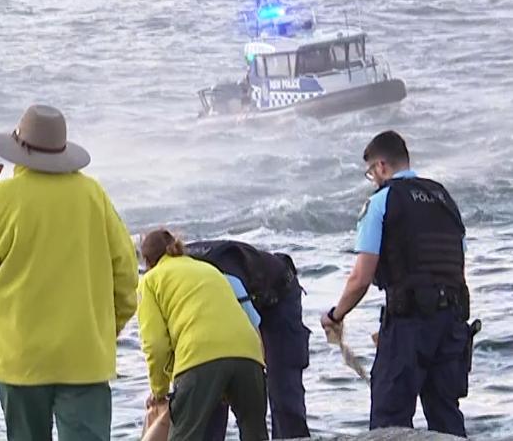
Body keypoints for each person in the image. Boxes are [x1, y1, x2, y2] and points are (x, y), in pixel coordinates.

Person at [0, 105, 139, 441]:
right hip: (85, 359)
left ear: (17, 150)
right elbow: (126, 272)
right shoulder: (93, 194)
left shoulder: (5, 197)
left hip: (20, 358)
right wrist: (105, 330)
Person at [320, 130, 471, 437]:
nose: (373, 179)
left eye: (371, 172)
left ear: (382, 167)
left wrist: (336, 315)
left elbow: (361, 277)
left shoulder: (383, 201)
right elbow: (455, 263)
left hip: (409, 325)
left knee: (389, 420)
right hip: (452, 325)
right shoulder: (444, 199)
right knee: (446, 416)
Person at [138, 230, 268, 441]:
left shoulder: (150, 280)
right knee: (256, 435)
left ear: (147, 260)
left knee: (185, 436)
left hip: (199, 357)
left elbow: (155, 345)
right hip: (250, 354)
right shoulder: (210, 270)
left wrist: (159, 391)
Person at [185, 240, 311, 439]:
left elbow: (251, 328)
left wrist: (250, 373)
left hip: (277, 295)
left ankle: (292, 436)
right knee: (211, 385)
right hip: (241, 300)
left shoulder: (221, 277)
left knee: (282, 383)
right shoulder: (168, 283)